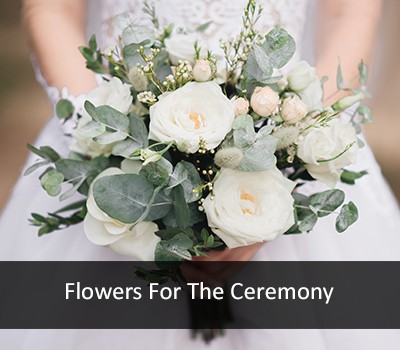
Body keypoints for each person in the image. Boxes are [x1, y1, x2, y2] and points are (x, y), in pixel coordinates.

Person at [0, 0, 400, 348]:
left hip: (288, 129)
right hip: (117, 135)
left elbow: (351, 10)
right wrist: (104, 133)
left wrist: (291, 152)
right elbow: (50, 7)